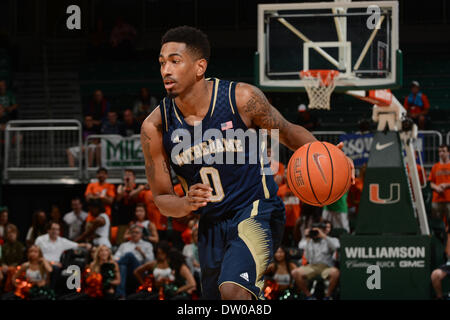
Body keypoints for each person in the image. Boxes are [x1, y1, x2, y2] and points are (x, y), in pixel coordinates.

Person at [140, 26, 354, 300]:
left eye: (175, 61)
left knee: (233, 291)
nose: (166, 70)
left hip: (256, 211)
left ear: (199, 67)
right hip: (211, 226)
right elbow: (161, 197)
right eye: (162, 63)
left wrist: (327, 155)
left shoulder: (241, 99)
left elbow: (287, 132)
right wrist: (184, 204)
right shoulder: (155, 127)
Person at [291, 221, 340, 300]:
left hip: (325, 267)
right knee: (295, 272)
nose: (316, 233)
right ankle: (309, 296)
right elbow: (306, 256)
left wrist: (323, 235)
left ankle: (327, 296)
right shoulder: (309, 241)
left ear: (322, 231)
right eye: (314, 231)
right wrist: (307, 238)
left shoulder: (330, 240)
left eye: (317, 231)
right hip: (312, 267)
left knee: (335, 272)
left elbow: (335, 247)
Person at [113, 224, 155, 298]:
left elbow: (151, 261)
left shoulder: (147, 245)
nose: (134, 234)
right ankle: (121, 295)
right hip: (126, 271)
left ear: (141, 234)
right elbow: (116, 257)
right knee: (122, 267)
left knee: (129, 255)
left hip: (140, 270)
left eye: (137, 232)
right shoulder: (124, 245)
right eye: (132, 232)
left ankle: (112, 268)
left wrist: (142, 252)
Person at [114, 169, 144, 245]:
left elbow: (132, 195)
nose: (127, 176)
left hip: (135, 219)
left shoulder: (139, 186)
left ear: (134, 177)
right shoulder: (120, 187)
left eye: (129, 175)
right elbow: (118, 198)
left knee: (136, 241)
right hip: (123, 219)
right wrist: (124, 188)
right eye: (126, 175)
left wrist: (129, 188)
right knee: (121, 241)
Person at [0, 224, 25, 293]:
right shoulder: (4, 246)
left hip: (16, 267)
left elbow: (20, 260)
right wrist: (3, 264)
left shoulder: (20, 246)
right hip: (5, 266)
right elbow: (2, 258)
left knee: (11, 270)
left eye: (13, 233)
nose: (11, 235)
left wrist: (10, 266)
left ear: (16, 234)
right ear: (6, 235)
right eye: (9, 233)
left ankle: (8, 291)